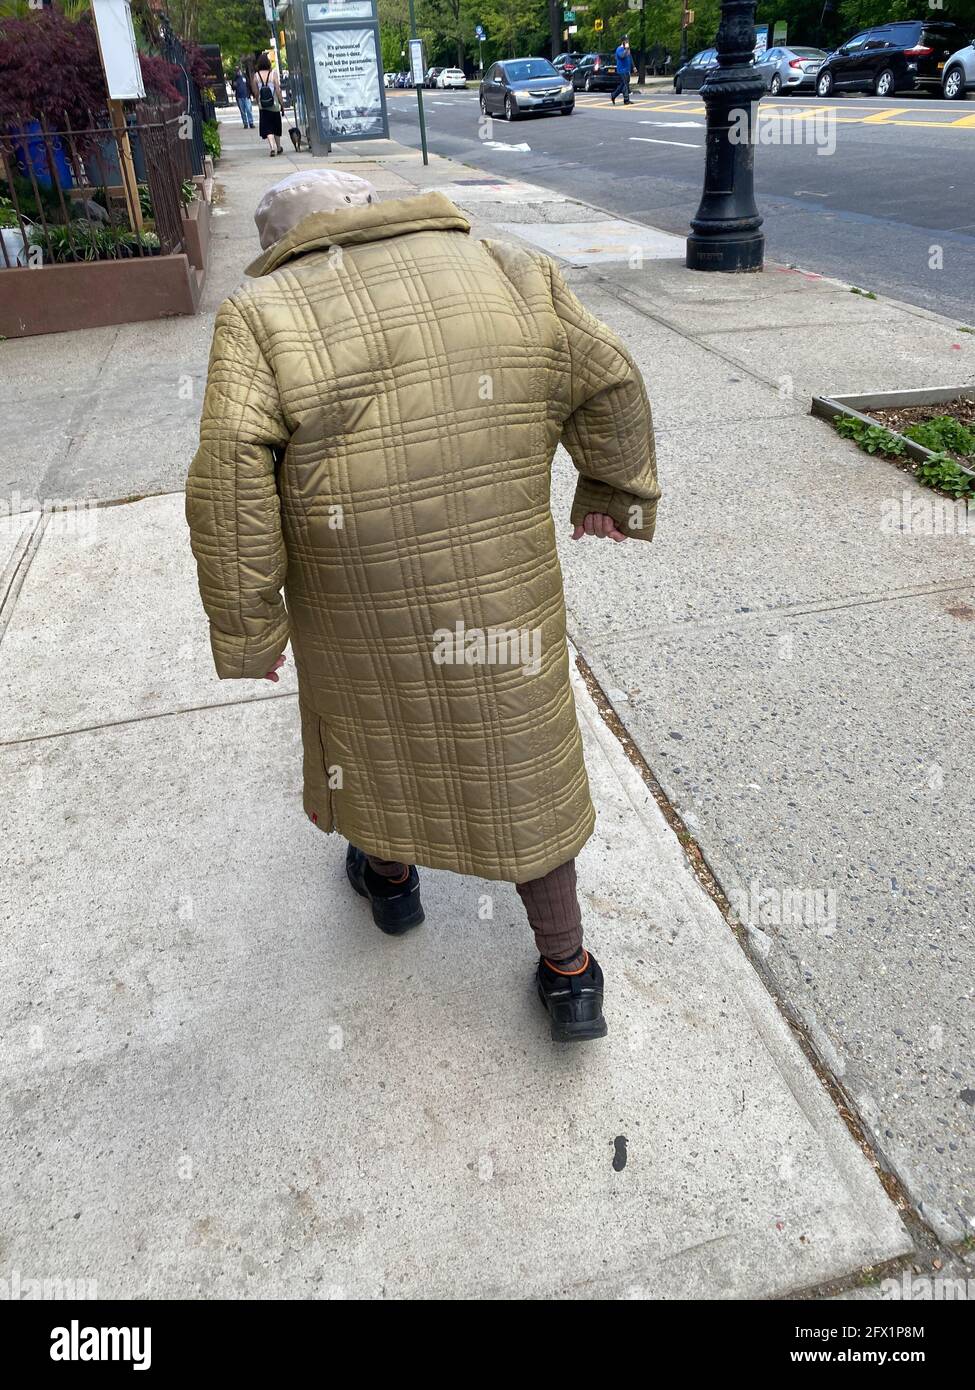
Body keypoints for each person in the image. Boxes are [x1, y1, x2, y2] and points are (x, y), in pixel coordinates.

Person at [186, 170, 660, 1044]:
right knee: (524, 762)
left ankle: (393, 887)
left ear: (279, 243)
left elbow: (230, 480)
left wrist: (251, 625)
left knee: (367, 733)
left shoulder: (263, 315)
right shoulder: (513, 269)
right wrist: (613, 487)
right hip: (502, 587)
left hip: (350, 595)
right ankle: (568, 972)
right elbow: (610, 379)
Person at [252, 52, 284, 156]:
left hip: (263, 105)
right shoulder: (273, 74)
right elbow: (278, 90)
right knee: (275, 126)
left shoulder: (256, 76)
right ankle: (278, 147)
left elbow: (256, 92)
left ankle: (272, 147)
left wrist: (258, 102)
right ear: (268, 63)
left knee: (268, 127)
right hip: (273, 104)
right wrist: (281, 103)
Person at [611, 35, 634, 105]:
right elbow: (622, 56)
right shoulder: (619, 49)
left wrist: (633, 66)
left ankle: (614, 95)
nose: (627, 42)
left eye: (628, 40)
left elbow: (629, 57)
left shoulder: (627, 49)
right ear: (623, 41)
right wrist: (626, 49)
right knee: (625, 84)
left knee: (623, 84)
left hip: (627, 69)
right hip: (621, 70)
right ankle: (626, 100)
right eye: (626, 41)